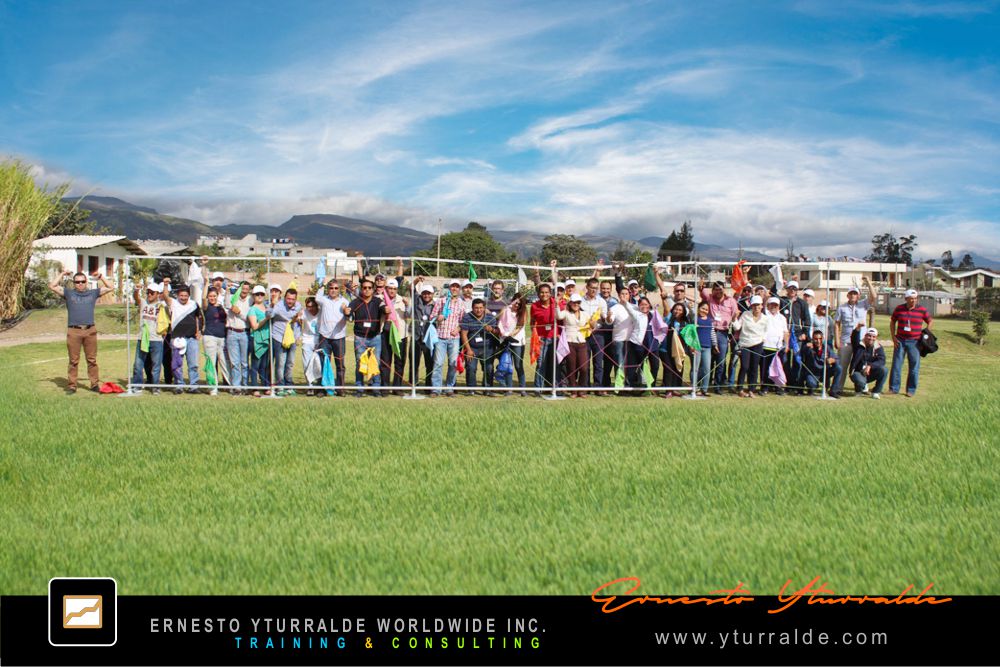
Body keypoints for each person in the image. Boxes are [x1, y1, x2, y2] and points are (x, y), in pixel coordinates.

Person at [48, 270, 113, 394]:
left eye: (83, 281)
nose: (80, 284)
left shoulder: (93, 293)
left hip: (90, 330)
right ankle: (72, 386)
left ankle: (94, 385)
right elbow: (52, 286)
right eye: (77, 282)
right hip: (74, 331)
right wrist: (62, 274)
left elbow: (110, 287)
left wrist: (101, 277)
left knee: (92, 360)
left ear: (86, 282)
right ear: (74, 283)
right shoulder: (68, 293)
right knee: (73, 361)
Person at [343, 278, 387, 397]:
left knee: (375, 363)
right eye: (364, 288)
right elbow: (349, 313)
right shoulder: (355, 302)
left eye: (369, 288)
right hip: (360, 338)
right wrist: (347, 312)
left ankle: (376, 388)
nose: (367, 290)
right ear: (361, 289)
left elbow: (384, 308)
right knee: (360, 363)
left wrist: (386, 310)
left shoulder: (378, 301)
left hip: (375, 338)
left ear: (373, 289)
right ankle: (359, 388)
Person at [834, 278, 876, 393]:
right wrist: (837, 340)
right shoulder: (842, 308)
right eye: (851, 293)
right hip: (846, 341)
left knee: (861, 365)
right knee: (842, 365)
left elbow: (874, 296)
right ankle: (838, 388)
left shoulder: (863, 304)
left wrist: (868, 281)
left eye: (855, 293)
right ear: (847, 295)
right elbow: (837, 324)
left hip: (861, 342)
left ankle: (861, 386)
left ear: (858, 295)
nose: (853, 295)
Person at [161, 279, 203, 393]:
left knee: (193, 364)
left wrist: (198, 331)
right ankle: (179, 385)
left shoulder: (194, 304)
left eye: (185, 296)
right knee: (177, 364)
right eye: (181, 295)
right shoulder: (173, 303)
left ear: (189, 295)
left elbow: (198, 318)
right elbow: (165, 296)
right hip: (177, 338)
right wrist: (166, 285)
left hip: (192, 339)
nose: (183, 298)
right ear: (177, 295)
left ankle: (194, 386)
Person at [889, 289, 932, 397]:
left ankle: (911, 390)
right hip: (900, 341)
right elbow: (893, 321)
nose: (913, 300)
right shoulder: (899, 309)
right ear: (906, 299)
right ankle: (894, 388)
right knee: (896, 365)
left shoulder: (922, 310)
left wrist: (926, 333)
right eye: (911, 299)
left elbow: (930, 321)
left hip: (915, 342)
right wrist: (893, 337)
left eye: (915, 298)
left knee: (914, 367)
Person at [699, 279, 738, 394]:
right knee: (708, 360)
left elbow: (735, 314)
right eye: (716, 289)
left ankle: (718, 385)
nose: (718, 291)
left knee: (721, 361)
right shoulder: (709, 298)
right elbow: (702, 291)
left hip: (723, 332)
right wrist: (701, 286)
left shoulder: (731, 301)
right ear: (713, 290)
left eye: (720, 289)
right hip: (710, 331)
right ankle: (705, 384)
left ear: (724, 289)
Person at [313, 279, 350, 396]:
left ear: (339, 290)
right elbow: (317, 297)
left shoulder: (345, 301)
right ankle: (323, 389)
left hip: (339, 337)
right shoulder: (323, 300)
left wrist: (346, 311)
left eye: (336, 288)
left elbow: (349, 317)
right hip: (324, 337)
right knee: (323, 363)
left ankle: (340, 389)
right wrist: (322, 285)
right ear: (328, 289)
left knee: (340, 364)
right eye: (331, 288)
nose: (333, 290)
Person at [127, 280, 165, 395]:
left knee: (156, 365)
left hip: (156, 339)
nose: (149, 294)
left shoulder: (161, 306)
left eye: (152, 293)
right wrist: (136, 289)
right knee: (138, 364)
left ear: (157, 294)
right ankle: (137, 385)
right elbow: (136, 297)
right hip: (142, 338)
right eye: (148, 292)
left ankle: (155, 387)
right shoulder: (143, 302)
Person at [429, 279, 466, 397]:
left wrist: (458, 329)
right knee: (438, 363)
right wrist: (437, 317)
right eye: (452, 286)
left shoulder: (461, 303)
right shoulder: (441, 301)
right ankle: (436, 389)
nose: (454, 288)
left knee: (453, 364)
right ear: (449, 288)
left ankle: (449, 388)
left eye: (457, 287)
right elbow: (431, 317)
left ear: (459, 289)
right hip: (440, 337)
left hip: (454, 338)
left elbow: (463, 321)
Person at [461, 298, 500, 394]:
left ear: (484, 308)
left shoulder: (490, 317)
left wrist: (491, 329)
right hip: (472, 347)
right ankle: (471, 389)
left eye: (481, 308)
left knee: (489, 368)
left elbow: (497, 332)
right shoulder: (467, 317)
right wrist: (468, 350)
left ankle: (487, 389)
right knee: (471, 368)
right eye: (476, 308)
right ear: (472, 308)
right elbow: (464, 334)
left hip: (487, 347)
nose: (478, 310)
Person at [270, 288, 303, 396]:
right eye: (288, 299)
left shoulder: (298, 306)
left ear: (296, 299)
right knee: (280, 363)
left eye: (293, 299)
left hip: (292, 338)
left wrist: (298, 336)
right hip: (279, 337)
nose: (290, 301)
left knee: (290, 363)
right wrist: (272, 305)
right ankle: (280, 386)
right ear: (285, 298)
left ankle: (289, 386)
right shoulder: (278, 305)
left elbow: (298, 323)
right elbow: (269, 315)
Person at [733, 295, 767, 398]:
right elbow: (737, 327)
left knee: (754, 367)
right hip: (745, 344)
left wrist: (763, 340)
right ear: (751, 306)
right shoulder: (745, 314)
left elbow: (766, 331)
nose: (756, 307)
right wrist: (734, 318)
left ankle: (752, 390)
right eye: (754, 305)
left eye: (758, 305)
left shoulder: (765, 318)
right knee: (744, 366)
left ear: (762, 306)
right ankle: (740, 388)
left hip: (758, 344)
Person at [378, 278, 409, 393]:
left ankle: (397, 387)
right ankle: (384, 388)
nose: (392, 291)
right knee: (385, 362)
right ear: (386, 289)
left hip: (400, 335)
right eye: (390, 288)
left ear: (397, 289)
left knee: (399, 362)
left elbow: (409, 315)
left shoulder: (403, 300)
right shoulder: (380, 299)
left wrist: (408, 306)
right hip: (385, 333)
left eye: (394, 289)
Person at [556, 293, 590, 398]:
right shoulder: (566, 313)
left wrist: (592, 326)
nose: (576, 304)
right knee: (571, 367)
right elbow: (558, 316)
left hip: (582, 343)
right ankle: (573, 390)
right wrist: (556, 304)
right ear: (570, 303)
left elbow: (593, 324)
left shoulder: (585, 314)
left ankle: (581, 389)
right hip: (569, 342)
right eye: (574, 302)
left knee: (584, 368)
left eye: (578, 302)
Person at [579, 277, 608, 392]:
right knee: (585, 362)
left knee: (598, 362)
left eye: (596, 288)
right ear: (587, 287)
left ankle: (598, 386)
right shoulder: (580, 301)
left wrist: (605, 318)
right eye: (592, 288)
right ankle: (585, 386)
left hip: (598, 334)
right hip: (584, 334)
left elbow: (605, 318)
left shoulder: (601, 302)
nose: (594, 290)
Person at [497, 293, 528, 396]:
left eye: (519, 304)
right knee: (508, 365)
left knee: (518, 365)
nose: (517, 305)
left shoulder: (523, 312)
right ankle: (508, 389)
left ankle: (522, 389)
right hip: (505, 341)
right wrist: (504, 334)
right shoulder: (506, 310)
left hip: (518, 342)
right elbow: (500, 322)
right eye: (515, 302)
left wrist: (510, 335)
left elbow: (519, 327)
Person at [530, 283, 558, 390]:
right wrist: (535, 334)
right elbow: (532, 322)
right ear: (538, 294)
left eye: (546, 292)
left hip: (555, 337)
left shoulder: (555, 303)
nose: (544, 294)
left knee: (554, 363)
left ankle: (554, 387)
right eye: (542, 292)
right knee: (541, 363)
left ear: (550, 293)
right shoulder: (534, 306)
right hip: (541, 338)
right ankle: (538, 388)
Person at [622, 296, 654, 393]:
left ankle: (646, 386)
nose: (644, 306)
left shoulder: (653, 314)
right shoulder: (636, 314)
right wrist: (625, 301)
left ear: (649, 305)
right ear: (638, 306)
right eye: (641, 304)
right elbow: (629, 308)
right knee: (632, 366)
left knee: (645, 367)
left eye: (646, 304)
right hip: (634, 343)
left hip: (648, 345)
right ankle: (630, 387)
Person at [202, 286, 229, 396]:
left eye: (214, 296)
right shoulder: (206, 306)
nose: (212, 298)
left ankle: (231, 385)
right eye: (210, 296)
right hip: (210, 337)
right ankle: (212, 388)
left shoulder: (221, 307)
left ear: (217, 296)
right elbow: (203, 299)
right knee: (211, 363)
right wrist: (206, 283)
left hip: (222, 338)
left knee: (225, 363)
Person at [659, 302, 690, 398]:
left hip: (679, 350)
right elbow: (666, 310)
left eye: (680, 310)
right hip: (665, 349)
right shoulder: (668, 319)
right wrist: (664, 299)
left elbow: (688, 336)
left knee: (678, 368)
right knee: (669, 369)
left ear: (684, 312)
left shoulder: (685, 323)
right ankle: (668, 390)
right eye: (676, 309)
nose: (677, 311)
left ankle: (675, 389)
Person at [760, 296, 790, 395]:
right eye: (771, 305)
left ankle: (778, 387)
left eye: (776, 305)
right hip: (765, 346)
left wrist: (786, 345)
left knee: (778, 368)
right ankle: (764, 387)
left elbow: (785, 332)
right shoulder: (764, 316)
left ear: (779, 306)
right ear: (768, 305)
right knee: (765, 368)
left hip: (778, 347)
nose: (773, 307)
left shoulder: (782, 318)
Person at [605, 287, 633, 390]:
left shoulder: (634, 307)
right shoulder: (614, 308)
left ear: (629, 296)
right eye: (622, 294)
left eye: (626, 294)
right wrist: (608, 317)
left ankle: (628, 385)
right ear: (619, 295)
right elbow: (609, 321)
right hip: (618, 340)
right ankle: (620, 386)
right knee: (619, 363)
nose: (624, 296)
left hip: (631, 340)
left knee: (629, 364)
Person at [226, 281, 252, 394]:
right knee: (235, 363)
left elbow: (250, 319)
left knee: (244, 362)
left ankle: (245, 385)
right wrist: (227, 290)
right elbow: (227, 305)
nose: (244, 291)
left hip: (245, 333)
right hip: (232, 332)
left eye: (246, 289)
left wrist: (239, 312)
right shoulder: (233, 298)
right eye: (243, 288)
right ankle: (236, 386)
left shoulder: (250, 301)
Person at [410, 282, 436, 389]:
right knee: (414, 362)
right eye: (424, 293)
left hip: (428, 338)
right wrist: (416, 280)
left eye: (429, 293)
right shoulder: (417, 300)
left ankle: (428, 386)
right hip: (416, 336)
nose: (426, 295)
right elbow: (411, 288)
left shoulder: (436, 305)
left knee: (429, 363)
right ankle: (413, 385)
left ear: (433, 294)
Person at [246, 285, 271, 397]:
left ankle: (265, 386)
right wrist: (266, 318)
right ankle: (254, 388)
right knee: (255, 365)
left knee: (265, 366)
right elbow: (254, 326)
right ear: (253, 296)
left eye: (261, 294)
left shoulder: (267, 307)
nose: (260, 296)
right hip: (256, 339)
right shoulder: (252, 309)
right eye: (257, 294)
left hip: (266, 339)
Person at [849, 326, 887, 398]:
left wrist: (870, 366)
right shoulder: (858, 345)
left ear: (876, 338)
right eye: (869, 336)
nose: (871, 338)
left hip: (870, 372)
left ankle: (876, 392)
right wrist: (858, 328)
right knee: (861, 382)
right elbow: (854, 338)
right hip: (858, 372)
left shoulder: (878, 347)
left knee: (884, 370)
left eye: (873, 337)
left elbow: (882, 360)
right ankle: (858, 390)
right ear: (865, 336)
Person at [801, 330, 842, 397]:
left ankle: (833, 391)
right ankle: (812, 387)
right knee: (811, 384)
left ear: (823, 339)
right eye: (816, 339)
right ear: (812, 339)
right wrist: (806, 346)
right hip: (813, 374)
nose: (818, 341)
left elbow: (837, 359)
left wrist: (832, 360)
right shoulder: (809, 348)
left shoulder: (827, 348)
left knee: (839, 368)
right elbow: (803, 352)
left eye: (820, 339)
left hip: (824, 373)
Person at [693, 301, 718, 396]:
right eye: (703, 308)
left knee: (707, 369)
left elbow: (712, 333)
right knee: (695, 369)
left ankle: (704, 388)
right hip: (696, 347)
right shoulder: (695, 319)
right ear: (699, 308)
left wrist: (715, 344)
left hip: (707, 347)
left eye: (706, 309)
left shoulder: (710, 321)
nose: (704, 311)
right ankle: (694, 388)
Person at [300, 297, 320, 395]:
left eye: (312, 306)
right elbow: (297, 320)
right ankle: (310, 386)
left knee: (319, 365)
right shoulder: (304, 312)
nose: (310, 309)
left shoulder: (322, 312)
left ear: (317, 306)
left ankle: (320, 386)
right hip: (307, 341)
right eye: (308, 306)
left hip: (320, 341)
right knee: (307, 364)